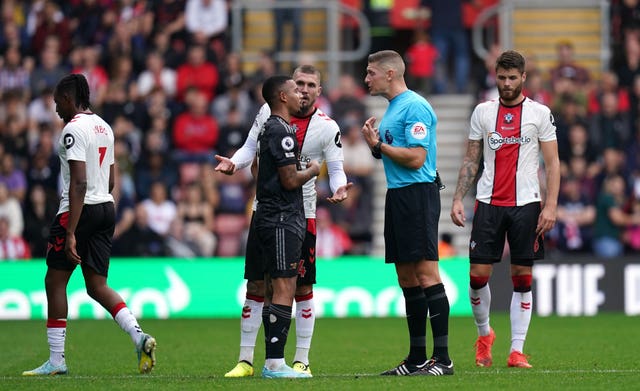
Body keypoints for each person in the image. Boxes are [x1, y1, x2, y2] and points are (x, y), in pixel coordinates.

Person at [215, 65, 351, 377]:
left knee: (300, 287)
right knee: (257, 284)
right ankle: (245, 361)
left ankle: (301, 358)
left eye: (310, 85)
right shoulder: (268, 114)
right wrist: (234, 163)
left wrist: (339, 185)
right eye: (298, 83)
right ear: (287, 91)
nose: (303, 89)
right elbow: (250, 148)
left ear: (319, 90)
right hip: (265, 209)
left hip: (303, 214)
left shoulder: (327, 127)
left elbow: (336, 165)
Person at [22, 74, 157, 376]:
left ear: (69, 99)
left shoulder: (72, 130)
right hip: (106, 208)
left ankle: (56, 361)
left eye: (58, 103)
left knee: (55, 281)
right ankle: (139, 337)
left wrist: (70, 231)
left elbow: (79, 182)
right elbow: (110, 180)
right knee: (97, 285)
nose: (56, 109)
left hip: (78, 211)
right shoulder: (105, 127)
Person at [450, 50, 560, 369]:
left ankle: (516, 350)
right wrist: (458, 197)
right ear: (494, 76)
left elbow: (552, 163)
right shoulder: (483, 112)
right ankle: (485, 335)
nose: (507, 83)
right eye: (502, 77)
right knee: (476, 277)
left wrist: (550, 205)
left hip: (527, 204)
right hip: (488, 203)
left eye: (513, 77)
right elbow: (472, 159)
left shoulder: (540, 113)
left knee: (522, 277)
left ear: (523, 78)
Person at [360, 50, 453, 376]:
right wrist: (376, 146)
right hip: (398, 195)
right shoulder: (394, 109)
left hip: (418, 196)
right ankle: (416, 358)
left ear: (389, 74)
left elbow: (415, 158)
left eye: (371, 72)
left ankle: (442, 359)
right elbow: (396, 156)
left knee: (427, 274)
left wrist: (379, 147)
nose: (366, 78)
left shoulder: (414, 106)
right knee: (406, 278)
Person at [254, 75, 320, 378]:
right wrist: (312, 170)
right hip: (282, 217)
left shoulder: (271, 129)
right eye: (295, 90)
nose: (301, 95)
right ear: (282, 96)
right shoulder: (283, 131)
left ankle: (273, 361)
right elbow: (290, 180)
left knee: (275, 288)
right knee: (283, 287)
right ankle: (275, 363)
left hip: (270, 216)